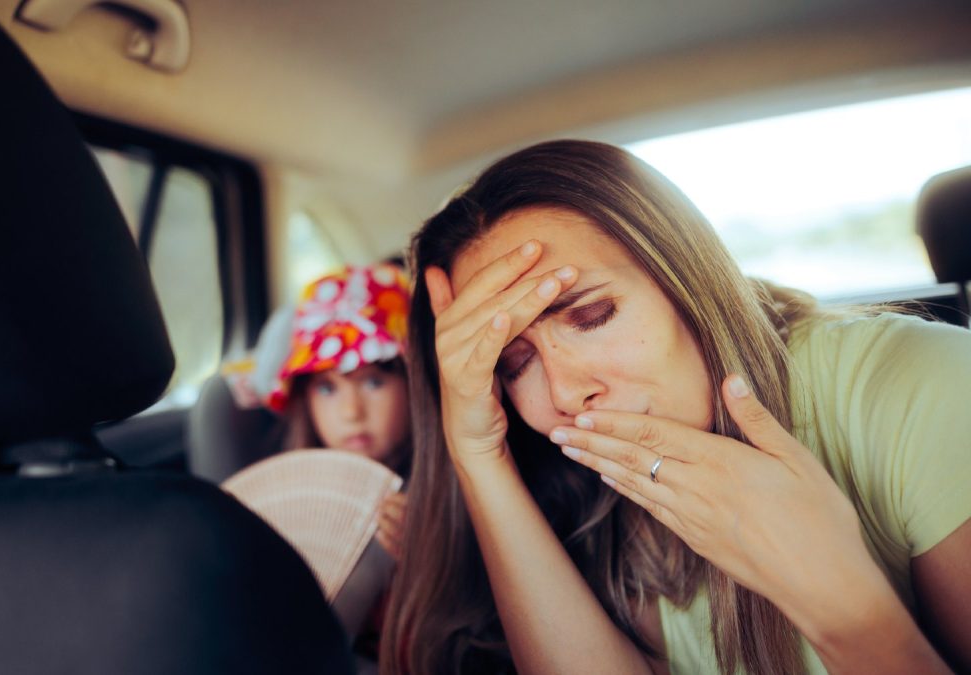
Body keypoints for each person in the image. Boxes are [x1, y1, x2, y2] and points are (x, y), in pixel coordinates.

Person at [380, 140, 971, 675]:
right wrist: (478, 453)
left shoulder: (925, 381)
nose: (564, 395)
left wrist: (846, 611)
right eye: (513, 366)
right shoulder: (581, 493)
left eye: (592, 316)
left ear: (685, 274)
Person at [265, 262, 414, 669]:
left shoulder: (451, 492)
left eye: (373, 382)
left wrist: (421, 563)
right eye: (327, 388)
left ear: (413, 383)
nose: (351, 412)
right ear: (304, 400)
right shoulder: (290, 497)